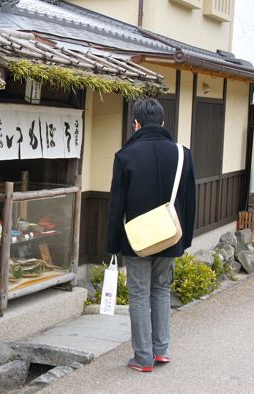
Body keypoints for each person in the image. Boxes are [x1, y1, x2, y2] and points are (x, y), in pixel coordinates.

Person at [106, 98, 196, 372]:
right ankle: (161, 350)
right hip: (171, 236)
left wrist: (112, 244)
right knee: (161, 290)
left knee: (139, 294)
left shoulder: (125, 155)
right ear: (163, 123)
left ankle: (142, 357)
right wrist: (185, 239)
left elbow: (116, 204)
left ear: (136, 124)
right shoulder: (182, 153)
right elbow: (190, 200)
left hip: (137, 240)